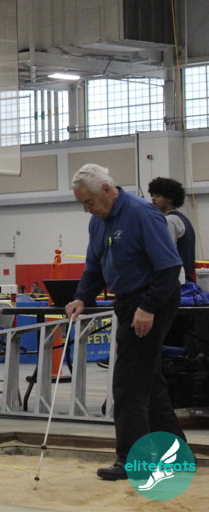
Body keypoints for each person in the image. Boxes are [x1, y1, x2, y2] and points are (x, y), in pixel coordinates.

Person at [64, 163, 186, 481]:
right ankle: (176, 454)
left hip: (154, 298)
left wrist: (147, 307)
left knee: (128, 382)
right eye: (82, 204)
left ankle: (132, 460)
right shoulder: (98, 222)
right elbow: (94, 267)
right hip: (128, 300)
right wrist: (81, 298)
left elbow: (169, 267)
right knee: (147, 379)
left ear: (107, 190)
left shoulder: (142, 214)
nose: (86, 209)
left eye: (89, 201)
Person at [148, 177, 196, 285]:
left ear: (170, 198)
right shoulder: (183, 219)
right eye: (152, 195)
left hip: (176, 281)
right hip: (185, 279)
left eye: (158, 196)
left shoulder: (169, 220)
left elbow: (166, 254)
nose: (153, 199)